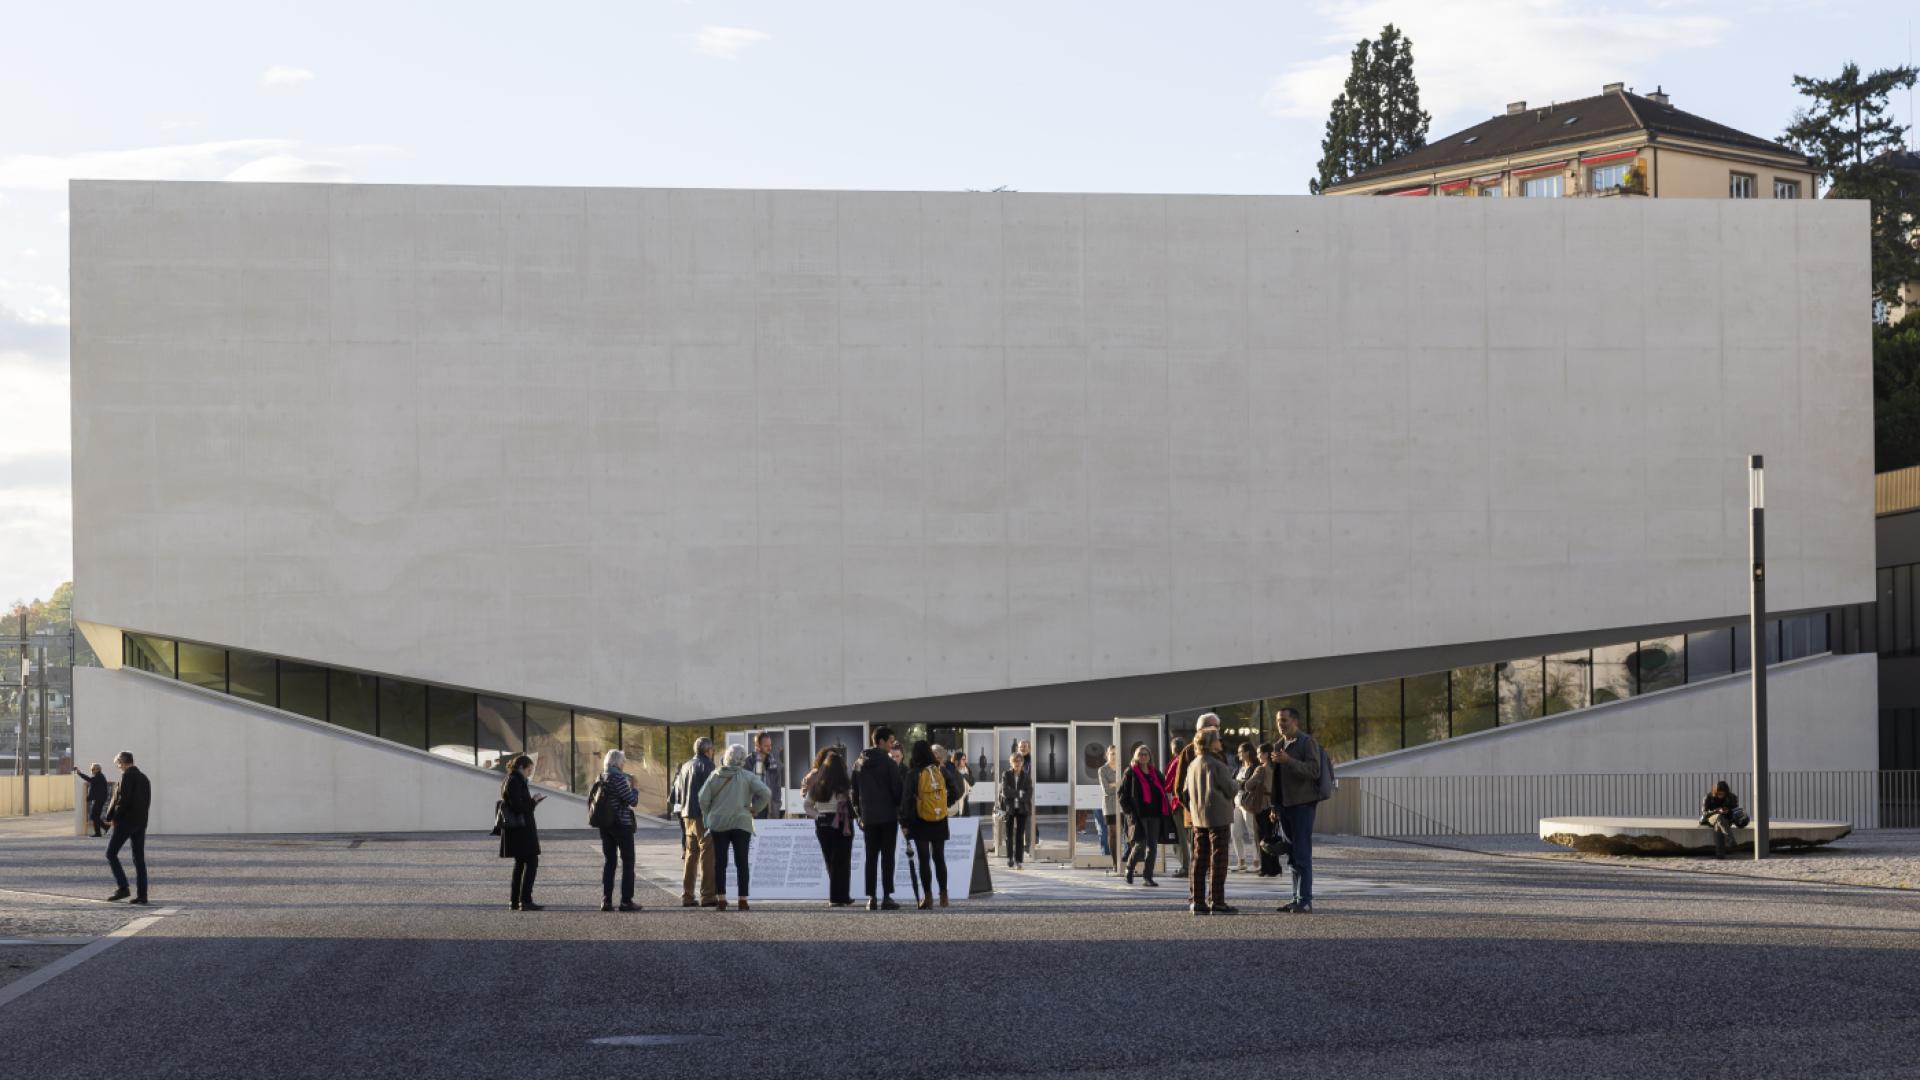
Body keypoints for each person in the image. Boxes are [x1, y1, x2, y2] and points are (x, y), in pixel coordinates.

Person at [699, 743, 773, 911]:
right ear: (742, 759)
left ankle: (721, 899)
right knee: (742, 862)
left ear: (726, 757)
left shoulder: (715, 775)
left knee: (720, 862)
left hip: (719, 824)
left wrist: (709, 813)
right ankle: (743, 900)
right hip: (741, 822)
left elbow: (702, 798)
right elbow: (766, 793)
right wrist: (755, 809)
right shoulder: (748, 776)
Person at [1272, 707, 1323, 914]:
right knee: (1292, 856)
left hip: (1302, 806)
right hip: (1285, 806)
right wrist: (1275, 806)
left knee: (1302, 854)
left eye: (1284, 720)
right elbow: (1276, 780)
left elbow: (1314, 770)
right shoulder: (1278, 744)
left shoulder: (1306, 742)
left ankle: (1305, 900)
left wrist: (1289, 761)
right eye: (1278, 720)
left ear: (1295, 721)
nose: (1280, 724)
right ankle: (1296, 898)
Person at [851, 726, 906, 910]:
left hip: (869, 818)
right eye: (890, 741)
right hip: (888, 817)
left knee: (871, 857)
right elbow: (897, 791)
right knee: (887, 858)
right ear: (881, 741)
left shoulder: (859, 763)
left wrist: (859, 814)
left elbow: (853, 792)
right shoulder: (889, 764)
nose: (892, 745)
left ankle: (871, 897)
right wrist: (900, 812)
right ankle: (887, 897)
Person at [1183, 728, 1238, 915]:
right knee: (1219, 859)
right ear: (1211, 742)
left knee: (1199, 859)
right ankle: (1217, 901)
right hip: (1219, 815)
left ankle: (1197, 901)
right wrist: (1237, 783)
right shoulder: (1217, 764)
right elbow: (1230, 789)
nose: (1220, 742)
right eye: (1218, 739)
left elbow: (1185, 792)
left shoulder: (1193, 764)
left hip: (1198, 817)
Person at [803, 748, 856, 906]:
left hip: (823, 823)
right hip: (843, 823)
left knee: (830, 860)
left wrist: (818, 815)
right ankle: (839, 897)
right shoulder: (846, 786)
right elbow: (854, 804)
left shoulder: (818, 786)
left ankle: (839, 897)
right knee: (843, 861)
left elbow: (807, 806)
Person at [903, 740, 952, 909]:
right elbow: (957, 790)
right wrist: (944, 804)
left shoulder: (913, 773)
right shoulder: (941, 771)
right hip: (940, 818)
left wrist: (904, 822)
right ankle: (944, 896)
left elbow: (906, 800)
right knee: (939, 857)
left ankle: (928, 897)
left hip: (920, 820)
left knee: (924, 860)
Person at [672, 738, 719, 908]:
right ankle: (707, 895)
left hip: (686, 815)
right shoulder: (708, 766)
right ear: (708, 751)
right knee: (707, 853)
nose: (713, 753)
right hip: (703, 816)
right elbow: (713, 792)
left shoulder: (685, 766)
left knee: (691, 854)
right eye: (712, 750)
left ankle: (687, 895)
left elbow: (676, 794)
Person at [496, 754, 545, 911]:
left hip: (519, 830)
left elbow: (518, 804)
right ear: (521, 768)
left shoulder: (512, 779)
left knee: (520, 864)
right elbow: (518, 807)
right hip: (522, 830)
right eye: (529, 770)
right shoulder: (515, 781)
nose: (529, 773)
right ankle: (525, 900)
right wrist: (533, 801)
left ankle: (515, 901)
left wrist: (532, 802)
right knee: (531, 861)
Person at [102, 751, 151, 905]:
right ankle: (142, 895)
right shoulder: (144, 778)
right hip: (140, 822)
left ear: (122, 762)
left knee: (111, 853)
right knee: (139, 859)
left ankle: (123, 887)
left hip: (126, 822)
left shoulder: (127, 776)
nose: (119, 767)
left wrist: (115, 819)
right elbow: (146, 802)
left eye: (118, 764)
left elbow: (124, 800)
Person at [596, 749, 641, 912]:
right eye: (623, 761)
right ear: (618, 762)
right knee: (628, 861)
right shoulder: (619, 778)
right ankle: (626, 901)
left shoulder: (601, 776)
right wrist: (634, 787)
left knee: (610, 862)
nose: (624, 764)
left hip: (605, 824)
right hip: (621, 824)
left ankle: (606, 900)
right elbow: (632, 801)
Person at [1117, 742, 1163, 887]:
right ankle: (1129, 868)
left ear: (1149, 756)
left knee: (1153, 847)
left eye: (1145, 754)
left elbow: (1163, 790)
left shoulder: (1156, 773)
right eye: (1140, 754)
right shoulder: (1130, 772)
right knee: (1140, 844)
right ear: (1136, 757)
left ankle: (1147, 877)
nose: (1143, 756)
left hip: (1154, 814)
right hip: (1138, 815)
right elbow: (1121, 795)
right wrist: (1129, 812)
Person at [1231, 743, 1270, 873]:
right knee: (1235, 833)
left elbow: (1251, 785)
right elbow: (1233, 782)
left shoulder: (1255, 767)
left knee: (1253, 832)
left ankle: (1256, 862)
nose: (1238, 754)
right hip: (1236, 803)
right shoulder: (1239, 768)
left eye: (1240, 751)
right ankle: (1241, 861)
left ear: (1247, 752)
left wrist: (1239, 783)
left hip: (1248, 803)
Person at [997, 751, 1034, 869]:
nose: (1017, 763)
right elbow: (1005, 792)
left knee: (1020, 836)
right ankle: (1010, 857)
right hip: (1009, 808)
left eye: (1019, 761)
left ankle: (1018, 860)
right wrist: (1019, 793)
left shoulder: (1026, 776)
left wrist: (1014, 793)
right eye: (1014, 761)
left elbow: (1029, 794)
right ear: (1011, 763)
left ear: (1022, 763)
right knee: (1009, 835)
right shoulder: (1006, 775)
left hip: (1022, 809)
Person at [1162, 736, 1191, 878]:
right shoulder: (1189, 760)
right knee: (1190, 836)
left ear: (1173, 749)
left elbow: (1168, 784)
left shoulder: (1176, 761)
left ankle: (1186, 867)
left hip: (1178, 803)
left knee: (1180, 837)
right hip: (1189, 803)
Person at [1255, 743, 1283, 877]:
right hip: (1273, 805)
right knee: (1271, 837)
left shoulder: (1262, 768)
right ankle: (1275, 867)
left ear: (1266, 754)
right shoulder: (1275, 768)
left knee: (1262, 837)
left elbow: (1249, 785)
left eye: (1259, 753)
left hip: (1263, 805)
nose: (1257, 756)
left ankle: (1266, 867)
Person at [1701, 781, 1743, 859]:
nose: (1720, 795)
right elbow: (1705, 813)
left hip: (1726, 819)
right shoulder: (1708, 797)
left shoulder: (1732, 797)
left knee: (1718, 826)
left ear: (1726, 792)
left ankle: (1720, 854)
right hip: (1712, 818)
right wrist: (1716, 811)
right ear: (1715, 792)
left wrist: (1728, 811)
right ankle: (1730, 839)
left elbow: (1735, 810)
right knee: (1719, 817)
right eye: (1718, 793)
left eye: (1722, 793)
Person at [747, 732, 783, 819]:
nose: (769, 748)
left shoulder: (774, 762)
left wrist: (777, 804)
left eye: (770, 745)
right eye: (766, 746)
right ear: (758, 746)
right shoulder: (748, 762)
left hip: (770, 807)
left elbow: (777, 787)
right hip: (753, 807)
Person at [1097, 745, 1120, 859]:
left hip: (1123, 805)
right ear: (1107, 755)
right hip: (1110, 805)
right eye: (1112, 753)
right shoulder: (1102, 770)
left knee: (1126, 834)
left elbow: (1127, 787)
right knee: (1113, 833)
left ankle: (1126, 858)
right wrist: (1118, 784)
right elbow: (1106, 790)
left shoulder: (1122, 768)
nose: (1114, 756)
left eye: (1116, 753)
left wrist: (1113, 784)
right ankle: (1114, 861)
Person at [74, 763, 110, 838]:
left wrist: (80, 774)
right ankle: (100, 831)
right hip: (99, 799)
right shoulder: (99, 776)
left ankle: (103, 829)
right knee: (95, 816)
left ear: (97, 769)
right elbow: (94, 787)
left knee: (94, 816)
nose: (91, 771)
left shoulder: (99, 776)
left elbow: (90, 780)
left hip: (99, 799)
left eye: (93, 769)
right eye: (91, 769)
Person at [935, 745, 969, 817]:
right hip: (948, 809)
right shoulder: (949, 769)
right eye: (963, 759)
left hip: (948, 810)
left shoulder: (948, 770)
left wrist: (946, 803)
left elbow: (958, 791)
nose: (965, 761)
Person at [949, 750, 973, 816]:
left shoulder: (966, 769)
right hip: (955, 802)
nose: (965, 761)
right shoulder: (951, 772)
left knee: (966, 819)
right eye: (963, 759)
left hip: (965, 798)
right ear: (957, 761)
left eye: (965, 759)